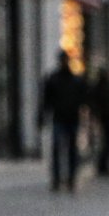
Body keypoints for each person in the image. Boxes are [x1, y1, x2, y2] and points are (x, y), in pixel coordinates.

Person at [38, 56, 88, 192]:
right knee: (57, 150)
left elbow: (84, 99)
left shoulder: (76, 80)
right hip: (59, 118)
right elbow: (46, 100)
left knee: (71, 150)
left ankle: (71, 178)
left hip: (71, 119)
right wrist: (42, 116)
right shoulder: (53, 79)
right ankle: (57, 179)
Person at [86, 66, 109, 177]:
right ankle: (103, 165)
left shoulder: (103, 87)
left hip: (107, 118)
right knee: (106, 143)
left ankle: (104, 165)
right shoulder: (101, 88)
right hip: (105, 119)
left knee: (107, 144)